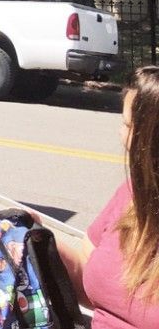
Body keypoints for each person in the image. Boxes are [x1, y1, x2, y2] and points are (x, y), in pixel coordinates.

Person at [51, 66, 159, 327]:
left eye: (127, 124)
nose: (121, 135)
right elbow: (90, 275)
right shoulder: (134, 194)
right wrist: (33, 236)